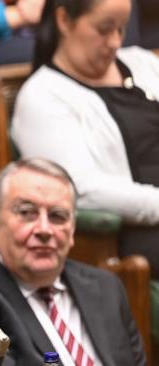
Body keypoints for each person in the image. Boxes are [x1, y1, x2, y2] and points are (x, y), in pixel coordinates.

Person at [0, 158, 146, 365]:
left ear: (72, 228)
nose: (44, 229)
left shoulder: (106, 286)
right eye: (26, 212)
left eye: (58, 215)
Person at [10, 0, 159, 278]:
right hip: (136, 235)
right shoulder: (43, 96)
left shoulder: (144, 63)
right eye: (104, 29)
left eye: (122, 28)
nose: (115, 42)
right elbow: (82, 188)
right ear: (64, 20)